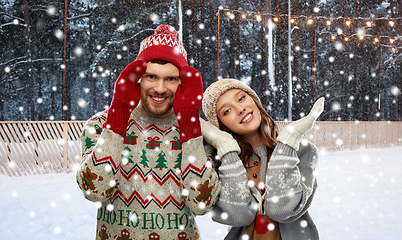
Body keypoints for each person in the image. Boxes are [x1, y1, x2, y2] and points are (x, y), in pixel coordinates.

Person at [76, 24, 222, 240]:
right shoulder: (99, 125)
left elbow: (201, 204)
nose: (160, 88)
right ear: (138, 79)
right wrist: (118, 116)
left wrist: (190, 127)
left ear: (182, 82)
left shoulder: (202, 133)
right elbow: (94, 191)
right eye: (151, 76)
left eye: (170, 79)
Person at [201, 78, 324, 240]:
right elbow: (238, 215)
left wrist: (289, 139)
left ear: (255, 101)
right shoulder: (220, 162)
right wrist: (225, 147)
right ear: (221, 125)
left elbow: (282, 209)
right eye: (226, 111)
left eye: (241, 98)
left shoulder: (303, 152)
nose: (240, 109)